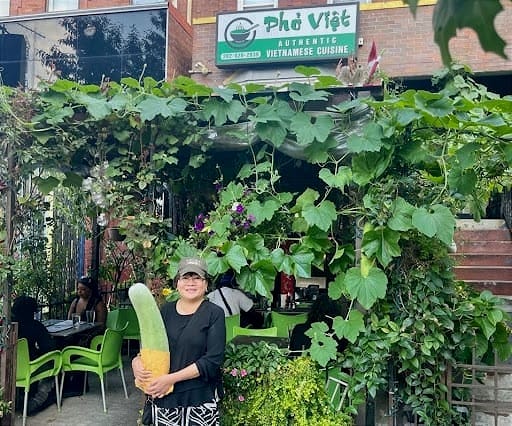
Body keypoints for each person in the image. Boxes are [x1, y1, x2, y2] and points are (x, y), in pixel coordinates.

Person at [132, 257, 226, 425]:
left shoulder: (214, 313)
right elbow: (151, 346)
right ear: (177, 283)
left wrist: (170, 379)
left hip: (198, 399)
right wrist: (136, 362)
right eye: (185, 277)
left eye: (197, 278)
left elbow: (212, 360)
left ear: (206, 284)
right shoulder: (165, 311)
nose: (191, 283)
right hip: (165, 398)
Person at [11, 296, 57, 415]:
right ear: (32, 312)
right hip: (27, 369)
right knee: (53, 362)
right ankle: (38, 400)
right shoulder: (35, 326)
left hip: (8, 369)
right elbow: (49, 348)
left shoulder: (7, 327)